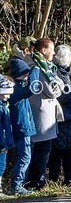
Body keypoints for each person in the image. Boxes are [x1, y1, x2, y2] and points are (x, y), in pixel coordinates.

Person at [26, 38, 60, 190]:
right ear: (44, 50)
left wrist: (59, 84)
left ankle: (35, 179)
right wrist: (59, 86)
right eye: (52, 49)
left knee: (40, 149)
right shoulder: (38, 67)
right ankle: (36, 181)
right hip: (41, 113)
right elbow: (52, 91)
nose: (54, 52)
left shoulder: (47, 66)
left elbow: (59, 81)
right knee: (41, 149)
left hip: (43, 112)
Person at [49, 45, 71, 185]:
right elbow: (59, 95)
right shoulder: (55, 73)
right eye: (70, 56)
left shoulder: (67, 73)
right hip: (62, 116)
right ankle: (54, 178)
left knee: (70, 148)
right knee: (58, 149)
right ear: (63, 58)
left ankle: (70, 177)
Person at [6, 59, 36, 195]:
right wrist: (35, 71)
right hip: (22, 128)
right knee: (24, 157)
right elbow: (31, 89)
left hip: (24, 127)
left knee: (23, 156)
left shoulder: (17, 88)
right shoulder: (16, 90)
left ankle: (19, 184)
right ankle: (17, 185)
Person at [0, 76, 14, 193]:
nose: (8, 96)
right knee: (0, 165)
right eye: (6, 93)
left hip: (4, 140)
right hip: (1, 142)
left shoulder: (4, 106)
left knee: (2, 165)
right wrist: (3, 143)